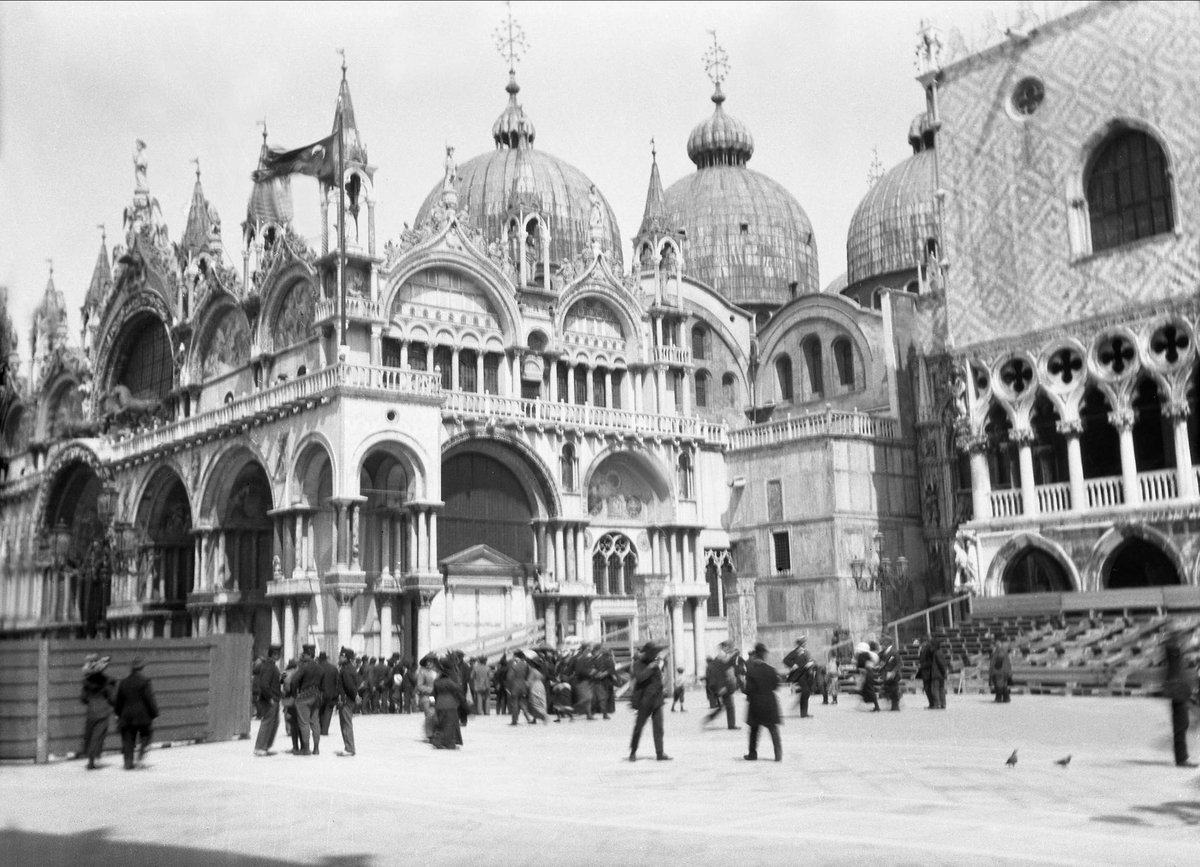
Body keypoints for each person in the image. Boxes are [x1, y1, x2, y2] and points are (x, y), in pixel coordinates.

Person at [629, 641, 671, 762]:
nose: (655, 655)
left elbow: (658, 680)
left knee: (659, 727)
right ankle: (633, 751)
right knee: (639, 727)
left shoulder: (656, 663)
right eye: (653, 652)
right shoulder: (638, 664)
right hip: (645, 701)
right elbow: (640, 678)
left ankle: (660, 752)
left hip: (657, 700)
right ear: (647, 653)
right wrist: (650, 667)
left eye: (656, 653)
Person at [114, 657, 158, 770]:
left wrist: (118, 714)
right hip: (142, 715)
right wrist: (154, 713)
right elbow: (149, 699)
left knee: (128, 738)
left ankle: (128, 762)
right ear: (142, 667)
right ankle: (141, 756)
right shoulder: (145, 681)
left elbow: (119, 701)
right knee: (146, 735)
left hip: (126, 715)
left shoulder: (123, 682)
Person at [743, 642, 782, 762]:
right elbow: (776, 686)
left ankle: (752, 754)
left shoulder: (750, 671)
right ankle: (778, 754)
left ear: (755, 655)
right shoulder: (772, 670)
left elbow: (748, 689)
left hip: (756, 703)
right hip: (770, 703)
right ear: (764, 655)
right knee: (773, 729)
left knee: (754, 730)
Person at [1164, 632, 1197, 768]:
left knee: (1182, 725)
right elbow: (1174, 650)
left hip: (1179, 692)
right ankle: (1181, 758)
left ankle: (1182, 757)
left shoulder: (1176, 657)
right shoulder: (1173, 653)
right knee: (1181, 726)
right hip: (1178, 693)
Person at [80, 654, 115, 770]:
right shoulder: (106, 681)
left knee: (89, 735)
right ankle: (93, 759)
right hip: (103, 711)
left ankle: (90, 759)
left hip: (91, 711)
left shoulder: (86, 683)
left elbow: (83, 698)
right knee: (98, 736)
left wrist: (90, 701)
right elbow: (112, 698)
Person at [293, 644, 323, 755]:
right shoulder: (320, 668)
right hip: (317, 696)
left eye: (304, 654)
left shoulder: (304, 667)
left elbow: (294, 681)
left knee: (304, 723)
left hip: (304, 696)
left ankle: (306, 749)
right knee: (315, 723)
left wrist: (294, 694)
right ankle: (316, 748)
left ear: (309, 654)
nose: (303, 655)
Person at [703, 641, 740, 730]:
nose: (729, 648)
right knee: (729, 705)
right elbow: (724, 664)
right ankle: (731, 725)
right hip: (722, 686)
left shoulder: (721, 656)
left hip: (723, 685)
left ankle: (709, 719)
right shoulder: (721, 656)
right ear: (724, 647)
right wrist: (734, 652)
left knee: (724, 706)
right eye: (728, 646)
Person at [253, 644, 282, 756]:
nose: (279, 656)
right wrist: (270, 698)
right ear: (273, 654)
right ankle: (260, 747)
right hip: (270, 700)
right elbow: (264, 685)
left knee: (274, 722)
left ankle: (265, 746)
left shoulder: (271, 665)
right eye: (277, 654)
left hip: (273, 698)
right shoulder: (269, 666)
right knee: (267, 722)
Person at [432, 656, 466, 749]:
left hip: (439, 704)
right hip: (450, 704)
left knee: (441, 724)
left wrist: (433, 705)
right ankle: (449, 743)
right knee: (450, 725)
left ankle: (438, 741)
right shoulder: (449, 682)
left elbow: (433, 694)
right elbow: (459, 689)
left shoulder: (436, 682)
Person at [783, 637, 817, 718]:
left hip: (807, 674)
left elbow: (810, 660)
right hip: (800, 675)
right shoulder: (795, 652)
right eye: (803, 642)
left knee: (807, 692)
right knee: (805, 691)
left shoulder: (806, 652)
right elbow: (786, 660)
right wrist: (793, 665)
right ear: (800, 643)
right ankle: (803, 713)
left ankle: (804, 712)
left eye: (804, 642)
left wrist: (811, 663)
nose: (805, 644)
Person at [335, 648, 359, 757]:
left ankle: (349, 748)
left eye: (342, 656)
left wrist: (355, 696)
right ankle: (348, 746)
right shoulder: (351, 668)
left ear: (346, 658)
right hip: (348, 699)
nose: (339, 658)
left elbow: (349, 686)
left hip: (346, 700)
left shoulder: (345, 670)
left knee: (346, 724)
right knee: (345, 723)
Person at [417, 654, 439, 741]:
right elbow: (419, 685)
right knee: (429, 714)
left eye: (431, 662)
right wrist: (430, 690)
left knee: (435, 715)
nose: (430, 664)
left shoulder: (437, 672)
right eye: (428, 662)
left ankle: (434, 732)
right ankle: (429, 734)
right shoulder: (422, 672)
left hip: (436, 696)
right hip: (427, 696)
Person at [317, 650, 339, 736]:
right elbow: (337, 682)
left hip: (319, 694)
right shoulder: (333, 668)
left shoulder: (317, 668)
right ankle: (324, 730)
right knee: (328, 712)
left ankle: (319, 729)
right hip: (331, 694)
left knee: (319, 712)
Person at [281, 659, 301, 754]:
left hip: (287, 697)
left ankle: (288, 729)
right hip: (294, 698)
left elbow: (282, 683)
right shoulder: (297, 673)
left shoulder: (285, 673)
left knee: (287, 714)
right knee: (295, 718)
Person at [507, 651, 531, 725]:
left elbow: (509, 677)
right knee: (522, 703)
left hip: (515, 687)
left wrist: (509, 687)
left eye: (513, 656)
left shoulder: (514, 665)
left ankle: (514, 720)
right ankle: (528, 718)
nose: (513, 658)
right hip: (523, 686)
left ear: (517, 657)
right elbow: (528, 674)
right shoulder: (526, 664)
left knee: (515, 704)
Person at [880, 637, 902, 712]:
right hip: (886, 675)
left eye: (883, 643)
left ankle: (895, 706)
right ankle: (893, 705)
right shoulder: (883, 652)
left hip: (893, 676)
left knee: (894, 690)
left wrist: (893, 672)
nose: (881, 644)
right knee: (889, 690)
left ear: (887, 643)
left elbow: (899, 663)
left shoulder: (894, 652)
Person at [990, 640, 1013, 704]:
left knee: (998, 685)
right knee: (1003, 685)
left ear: (996, 646)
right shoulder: (1003, 651)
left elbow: (999, 658)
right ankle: (1006, 698)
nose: (991, 647)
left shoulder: (999, 651)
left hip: (999, 671)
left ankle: (998, 698)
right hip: (1004, 671)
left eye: (992, 646)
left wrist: (996, 666)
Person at [929, 638, 950, 710]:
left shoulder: (937, 653)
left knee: (935, 689)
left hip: (937, 674)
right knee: (941, 689)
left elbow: (941, 664)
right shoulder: (940, 653)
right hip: (941, 675)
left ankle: (937, 704)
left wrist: (944, 671)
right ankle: (943, 703)